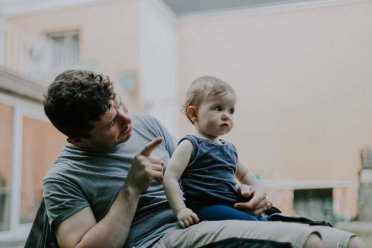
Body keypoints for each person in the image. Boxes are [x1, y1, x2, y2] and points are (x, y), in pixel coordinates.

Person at [42, 69, 365, 248]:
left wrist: (249, 191)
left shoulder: (147, 125)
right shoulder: (63, 177)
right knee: (313, 243)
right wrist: (131, 189)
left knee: (348, 243)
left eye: (121, 107)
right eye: (112, 124)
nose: (129, 121)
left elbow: (198, 172)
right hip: (162, 239)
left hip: (205, 216)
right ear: (78, 139)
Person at [164, 75, 265, 229]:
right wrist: (181, 210)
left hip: (231, 203)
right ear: (194, 114)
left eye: (231, 110)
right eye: (218, 108)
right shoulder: (190, 145)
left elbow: (244, 175)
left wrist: (258, 193)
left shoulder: (228, 148)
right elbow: (170, 177)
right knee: (251, 224)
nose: (226, 115)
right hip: (205, 207)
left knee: (264, 220)